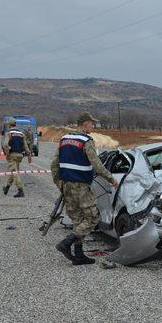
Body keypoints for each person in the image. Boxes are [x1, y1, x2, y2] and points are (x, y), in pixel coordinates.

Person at [52, 112, 118, 266]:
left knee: (78, 219)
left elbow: (54, 165)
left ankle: (79, 254)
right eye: (91, 123)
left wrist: (59, 184)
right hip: (81, 186)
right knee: (93, 218)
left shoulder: (64, 139)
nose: (93, 126)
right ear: (84, 124)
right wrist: (111, 178)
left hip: (66, 185)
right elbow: (97, 165)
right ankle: (66, 243)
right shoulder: (86, 141)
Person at [2, 118, 31, 198]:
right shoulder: (21, 134)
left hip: (12, 155)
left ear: (9, 125)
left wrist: (7, 153)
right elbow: (25, 146)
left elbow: (5, 145)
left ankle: (20, 190)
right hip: (20, 156)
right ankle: (7, 188)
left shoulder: (9, 133)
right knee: (14, 172)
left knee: (15, 172)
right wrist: (29, 155)